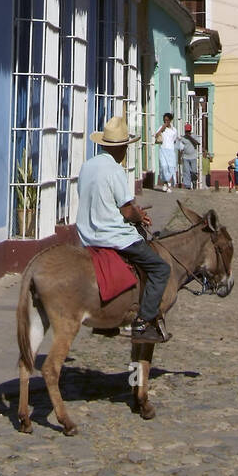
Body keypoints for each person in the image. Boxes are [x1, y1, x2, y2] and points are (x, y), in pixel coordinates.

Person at [76, 115, 171, 343]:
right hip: (115, 236)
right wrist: (140, 215)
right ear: (121, 148)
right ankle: (144, 322)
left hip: (87, 235)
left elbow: (104, 202)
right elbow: (127, 212)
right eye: (126, 147)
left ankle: (108, 320)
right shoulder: (115, 170)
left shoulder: (87, 166)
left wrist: (131, 210)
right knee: (160, 269)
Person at [155, 112, 177, 193]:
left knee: (170, 167)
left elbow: (174, 140)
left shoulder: (174, 130)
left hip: (170, 150)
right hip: (163, 149)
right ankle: (165, 183)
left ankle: (169, 184)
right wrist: (162, 129)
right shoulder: (161, 127)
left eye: (167, 120)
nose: (166, 122)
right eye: (165, 120)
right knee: (163, 167)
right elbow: (156, 135)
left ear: (170, 120)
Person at [179, 123, 199, 190]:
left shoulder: (194, 136)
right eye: (186, 131)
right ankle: (187, 186)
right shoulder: (183, 138)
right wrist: (180, 157)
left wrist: (190, 137)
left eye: (188, 131)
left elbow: (197, 143)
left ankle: (194, 182)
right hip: (185, 157)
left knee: (194, 171)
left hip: (193, 157)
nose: (187, 132)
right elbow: (181, 148)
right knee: (186, 171)